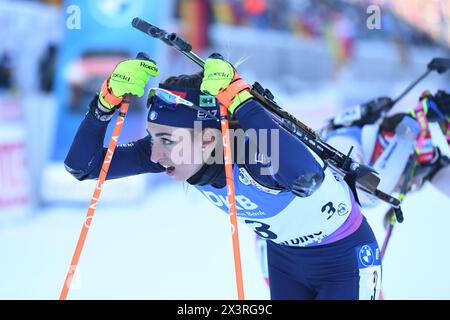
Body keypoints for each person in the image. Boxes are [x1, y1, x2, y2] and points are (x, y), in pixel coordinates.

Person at [65, 54, 382, 300]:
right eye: (153, 137)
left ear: (207, 139)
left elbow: (306, 177)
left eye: (166, 140)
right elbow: (84, 166)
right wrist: (104, 103)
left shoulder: (250, 150)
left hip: (343, 262)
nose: (154, 155)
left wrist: (241, 99)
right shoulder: (185, 149)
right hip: (285, 259)